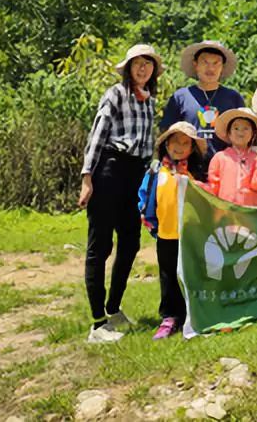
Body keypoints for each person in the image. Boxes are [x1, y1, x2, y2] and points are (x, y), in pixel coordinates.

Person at [78, 43, 161, 344]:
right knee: (100, 245)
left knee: (130, 242)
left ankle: (113, 308)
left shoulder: (150, 101)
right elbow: (98, 133)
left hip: (135, 173)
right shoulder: (115, 94)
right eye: (137, 63)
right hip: (109, 168)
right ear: (128, 67)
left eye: (148, 64)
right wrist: (88, 177)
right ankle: (97, 323)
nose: (143, 69)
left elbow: (148, 141)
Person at [138, 121, 207, 339]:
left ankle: (196, 313)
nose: (179, 146)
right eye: (174, 141)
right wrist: (148, 219)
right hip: (167, 232)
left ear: (192, 148)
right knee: (168, 275)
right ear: (166, 144)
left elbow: (207, 197)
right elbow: (145, 195)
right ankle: (170, 316)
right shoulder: (157, 170)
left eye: (185, 143)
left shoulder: (196, 172)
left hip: (192, 234)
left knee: (193, 273)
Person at [160, 41, 245, 163]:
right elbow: (167, 134)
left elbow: (244, 135)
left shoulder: (233, 98)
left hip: (225, 166)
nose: (211, 68)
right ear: (195, 65)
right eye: (205, 62)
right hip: (187, 168)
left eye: (216, 63)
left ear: (222, 67)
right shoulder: (181, 97)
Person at [205, 108, 257, 207]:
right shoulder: (219, 157)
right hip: (227, 213)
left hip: (251, 213)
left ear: (252, 134)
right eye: (236, 128)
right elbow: (213, 188)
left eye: (246, 128)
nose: (241, 132)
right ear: (229, 133)